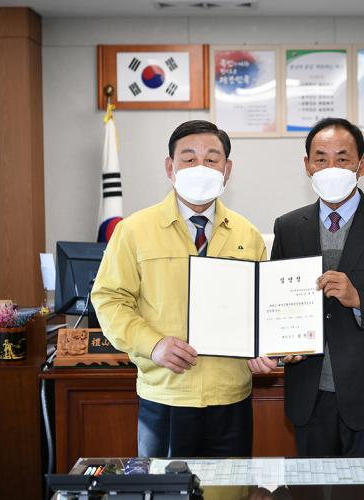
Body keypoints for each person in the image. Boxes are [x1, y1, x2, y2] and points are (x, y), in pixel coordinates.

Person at [248, 118, 364, 457]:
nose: (331, 167)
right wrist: (279, 345)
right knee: (311, 484)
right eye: (321, 159)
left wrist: (359, 299)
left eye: (342, 158)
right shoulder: (288, 227)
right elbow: (276, 302)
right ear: (307, 165)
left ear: (362, 165)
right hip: (309, 391)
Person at [92, 120, 266, 458]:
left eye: (212, 159)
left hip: (231, 397)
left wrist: (267, 347)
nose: (201, 167)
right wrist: (153, 344)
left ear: (227, 169)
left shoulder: (248, 235)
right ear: (170, 167)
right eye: (189, 159)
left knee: (230, 486)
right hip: (166, 395)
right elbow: (109, 299)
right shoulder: (133, 231)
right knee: (166, 486)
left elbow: (262, 307)